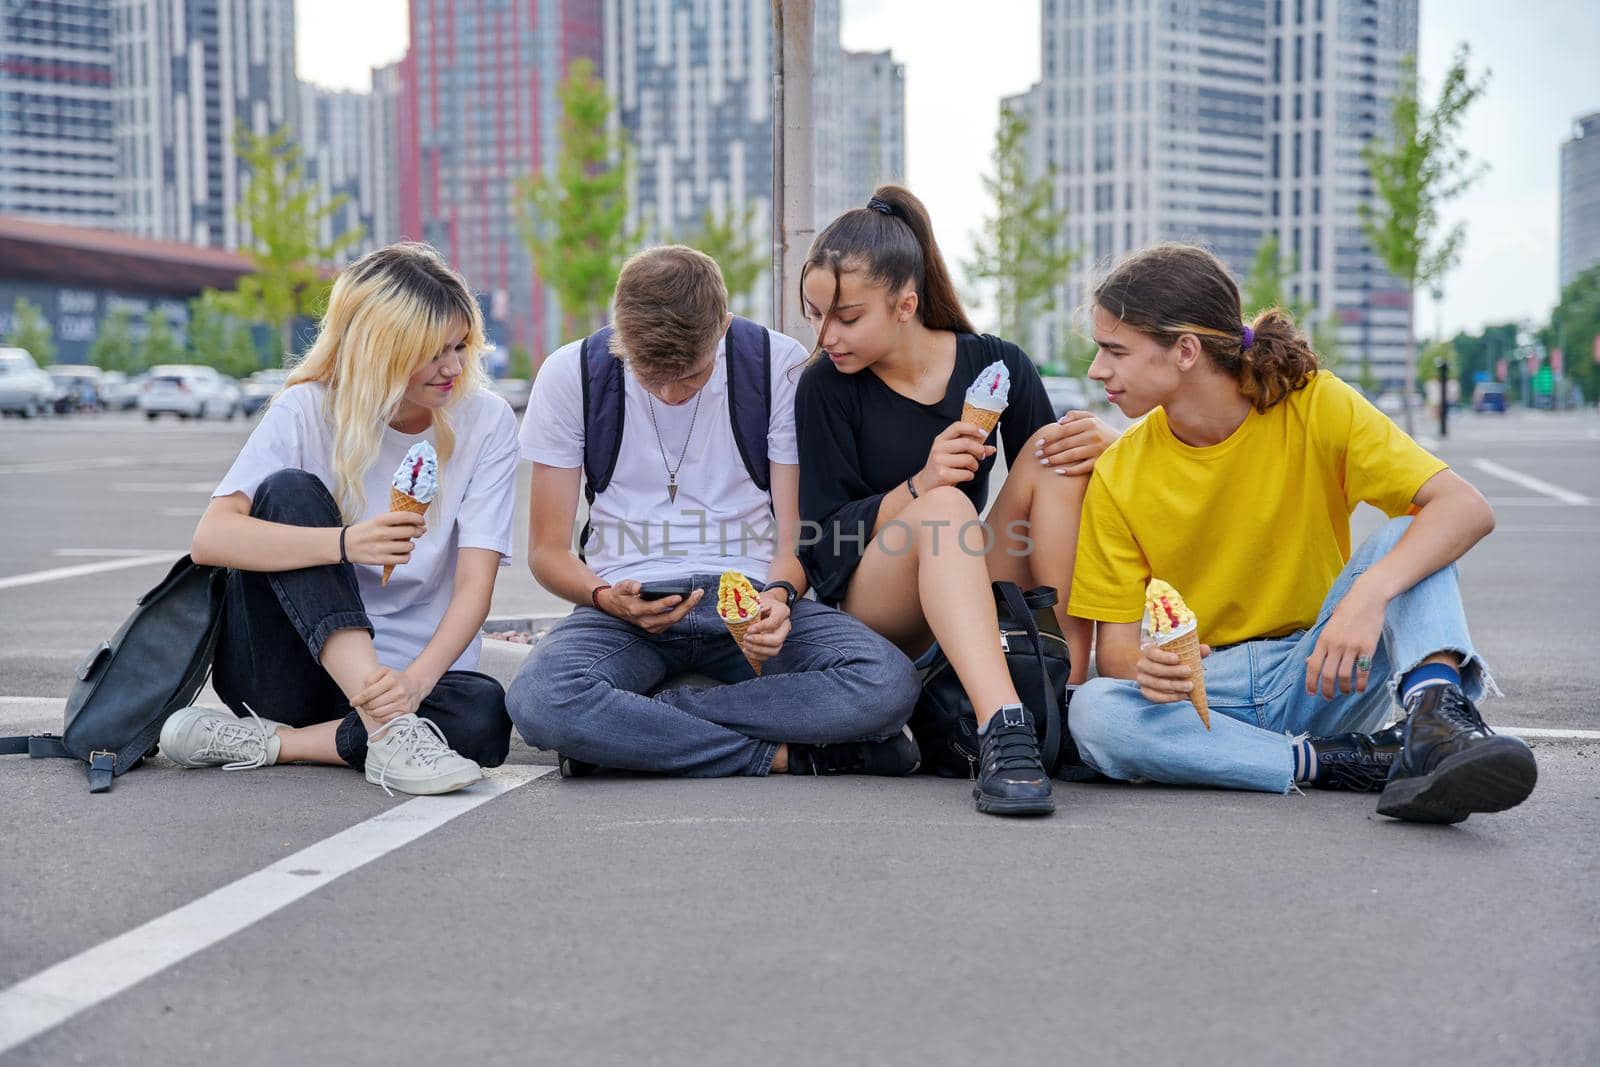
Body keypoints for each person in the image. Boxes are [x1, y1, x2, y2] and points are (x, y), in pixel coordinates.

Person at [1068, 242, 1537, 823]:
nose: (1096, 370)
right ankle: (1328, 761)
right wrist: (1144, 667)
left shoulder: (1315, 405)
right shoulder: (1120, 473)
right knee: (1095, 713)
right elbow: (1112, 652)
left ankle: (1438, 725)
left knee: (1405, 539)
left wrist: (1367, 596)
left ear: (1185, 350)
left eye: (1115, 350)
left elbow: (1466, 507)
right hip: (1211, 690)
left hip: (1327, 664)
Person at [507, 245, 922, 778]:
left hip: (751, 599)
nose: (669, 391)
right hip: (625, 613)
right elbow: (545, 551)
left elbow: (797, 537)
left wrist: (778, 597)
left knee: (888, 681)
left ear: (723, 326)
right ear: (619, 335)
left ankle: (636, 731)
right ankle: (778, 757)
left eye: (690, 375)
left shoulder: (777, 363)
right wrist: (605, 597)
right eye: (651, 374)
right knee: (539, 698)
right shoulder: (572, 374)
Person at [794, 186, 1116, 817]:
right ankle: (1007, 729)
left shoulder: (998, 364)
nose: (825, 334)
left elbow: (1061, 497)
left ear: (906, 304)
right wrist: (920, 484)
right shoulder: (825, 388)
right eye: (813, 314)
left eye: (846, 316)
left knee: (1056, 450)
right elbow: (821, 545)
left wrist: (1109, 445)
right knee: (946, 508)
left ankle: (1066, 695)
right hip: (877, 597)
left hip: (969, 572)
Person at [165, 242, 519, 795]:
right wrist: (346, 543)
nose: (454, 367)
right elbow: (211, 537)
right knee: (288, 492)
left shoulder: (487, 421)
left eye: (461, 344)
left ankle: (275, 744)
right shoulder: (307, 409)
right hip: (288, 669)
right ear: (383, 350)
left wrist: (414, 685)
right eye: (434, 351)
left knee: (483, 716)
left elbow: (476, 584)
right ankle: (391, 734)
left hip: (408, 676)